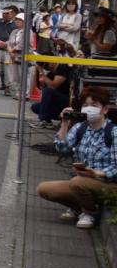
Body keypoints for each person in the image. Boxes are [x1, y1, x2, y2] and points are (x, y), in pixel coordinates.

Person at [35, 86, 117, 230]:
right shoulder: (80, 128)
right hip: (82, 182)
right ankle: (79, 207)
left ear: (104, 109)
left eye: (94, 105)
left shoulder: (113, 132)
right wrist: (65, 123)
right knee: (44, 189)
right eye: (85, 105)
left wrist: (96, 173)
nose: (88, 108)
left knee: (78, 182)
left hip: (108, 185)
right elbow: (62, 148)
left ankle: (91, 213)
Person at [32, 39, 76, 127]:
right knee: (35, 107)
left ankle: (44, 120)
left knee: (48, 91)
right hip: (57, 103)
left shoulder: (63, 67)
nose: (47, 68)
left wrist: (41, 72)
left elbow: (53, 85)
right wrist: (37, 70)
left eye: (46, 65)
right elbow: (38, 86)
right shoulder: (51, 73)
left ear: (51, 61)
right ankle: (48, 119)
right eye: (45, 67)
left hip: (67, 101)